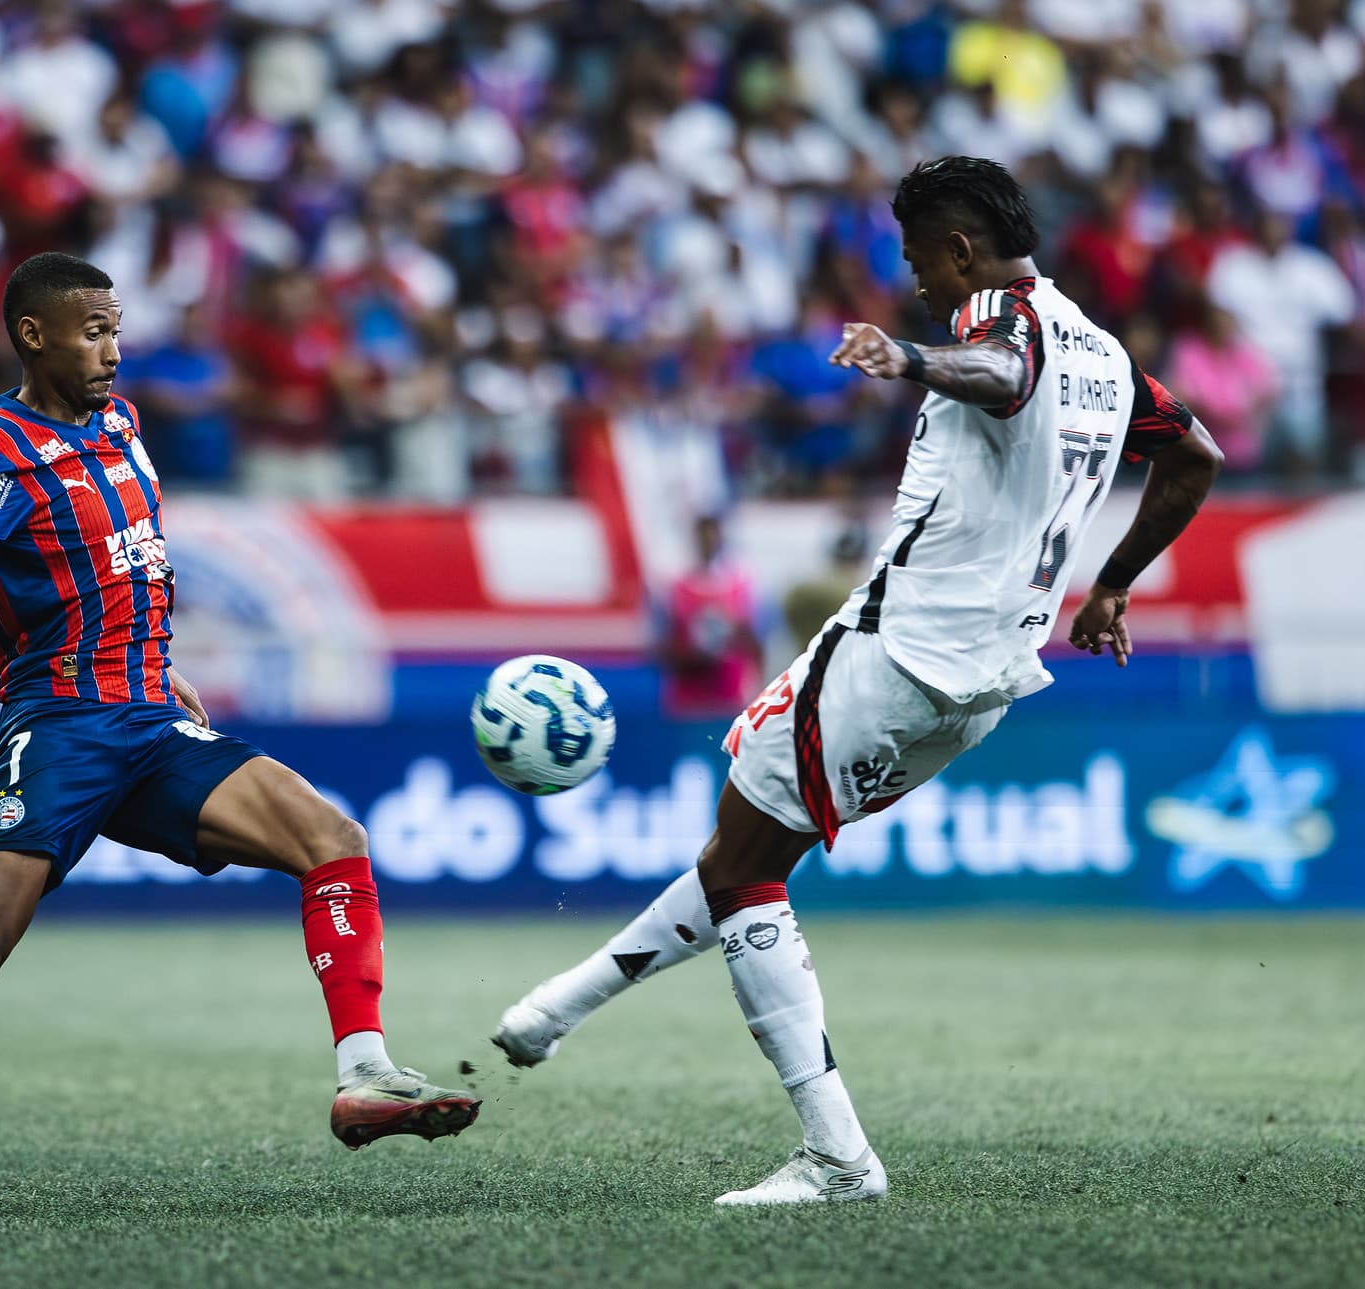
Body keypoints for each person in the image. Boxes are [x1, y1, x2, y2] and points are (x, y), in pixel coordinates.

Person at [493, 158, 1222, 1207]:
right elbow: (1194, 455)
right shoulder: (1105, 357)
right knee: (749, 852)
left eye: (919, 258)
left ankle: (836, 1155)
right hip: (984, 680)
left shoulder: (998, 320)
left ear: (960, 250)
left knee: (743, 869)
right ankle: (556, 1010)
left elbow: (1003, 370)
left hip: (898, 649)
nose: (915, 279)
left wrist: (911, 357)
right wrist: (1111, 585)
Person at [0, 253, 478, 1215]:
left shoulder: (123, 425)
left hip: (152, 719)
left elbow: (121, 568)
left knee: (332, 837)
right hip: (61, 728)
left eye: (116, 330)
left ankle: (365, 1071)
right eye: (92, 331)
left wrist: (157, 663)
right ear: (34, 335)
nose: (112, 350)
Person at [658, 514, 765, 720]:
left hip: (730, 695)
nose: (708, 543)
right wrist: (692, 656)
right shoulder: (676, 588)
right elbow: (663, 649)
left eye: (712, 537)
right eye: (703, 538)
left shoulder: (740, 586)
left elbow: (755, 643)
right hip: (689, 699)